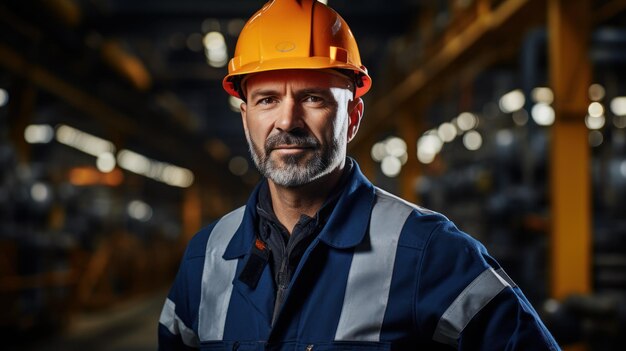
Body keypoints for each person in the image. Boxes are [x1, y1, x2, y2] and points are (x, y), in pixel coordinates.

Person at [158, 0, 560, 349]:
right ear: (246, 119)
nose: (287, 120)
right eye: (267, 99)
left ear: (352, 117)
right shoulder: (205, 257)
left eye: (313, 97)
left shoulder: (430, 253)